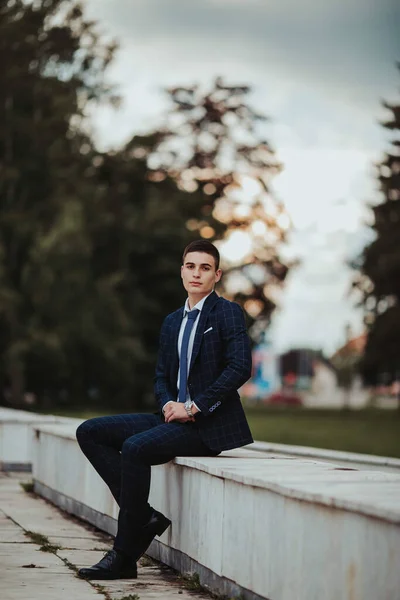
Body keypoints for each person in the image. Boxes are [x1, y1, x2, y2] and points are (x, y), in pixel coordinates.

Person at [76, 239, 253, 580]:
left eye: (205, 268)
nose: (196, 273)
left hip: (207, 425)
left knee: (135, 447)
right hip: (171, 416)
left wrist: (195, 406)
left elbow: (240, 367)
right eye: (190, 266)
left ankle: (124, 556)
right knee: (90, 432)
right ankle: (143, 516)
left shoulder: (227, 312)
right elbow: (161, 375)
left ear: (216, 275)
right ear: (182, 271)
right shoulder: (173, 321)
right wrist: (168, 403)